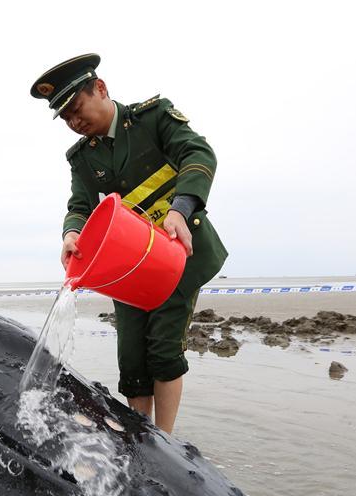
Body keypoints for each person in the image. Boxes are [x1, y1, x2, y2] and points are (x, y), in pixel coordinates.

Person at [30, 54, 227, 434]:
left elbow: (198, 154)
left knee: (164, 351)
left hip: (176, 253)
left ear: (100, 88)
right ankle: (141, 439)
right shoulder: (83, 157)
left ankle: (166, 443)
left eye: (77, 108)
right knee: (132, 361)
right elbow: (80, 206)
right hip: (127, 266)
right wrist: (71, 234)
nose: (74, 122)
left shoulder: (152, 118)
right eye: (66, 118)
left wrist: (180, 209)